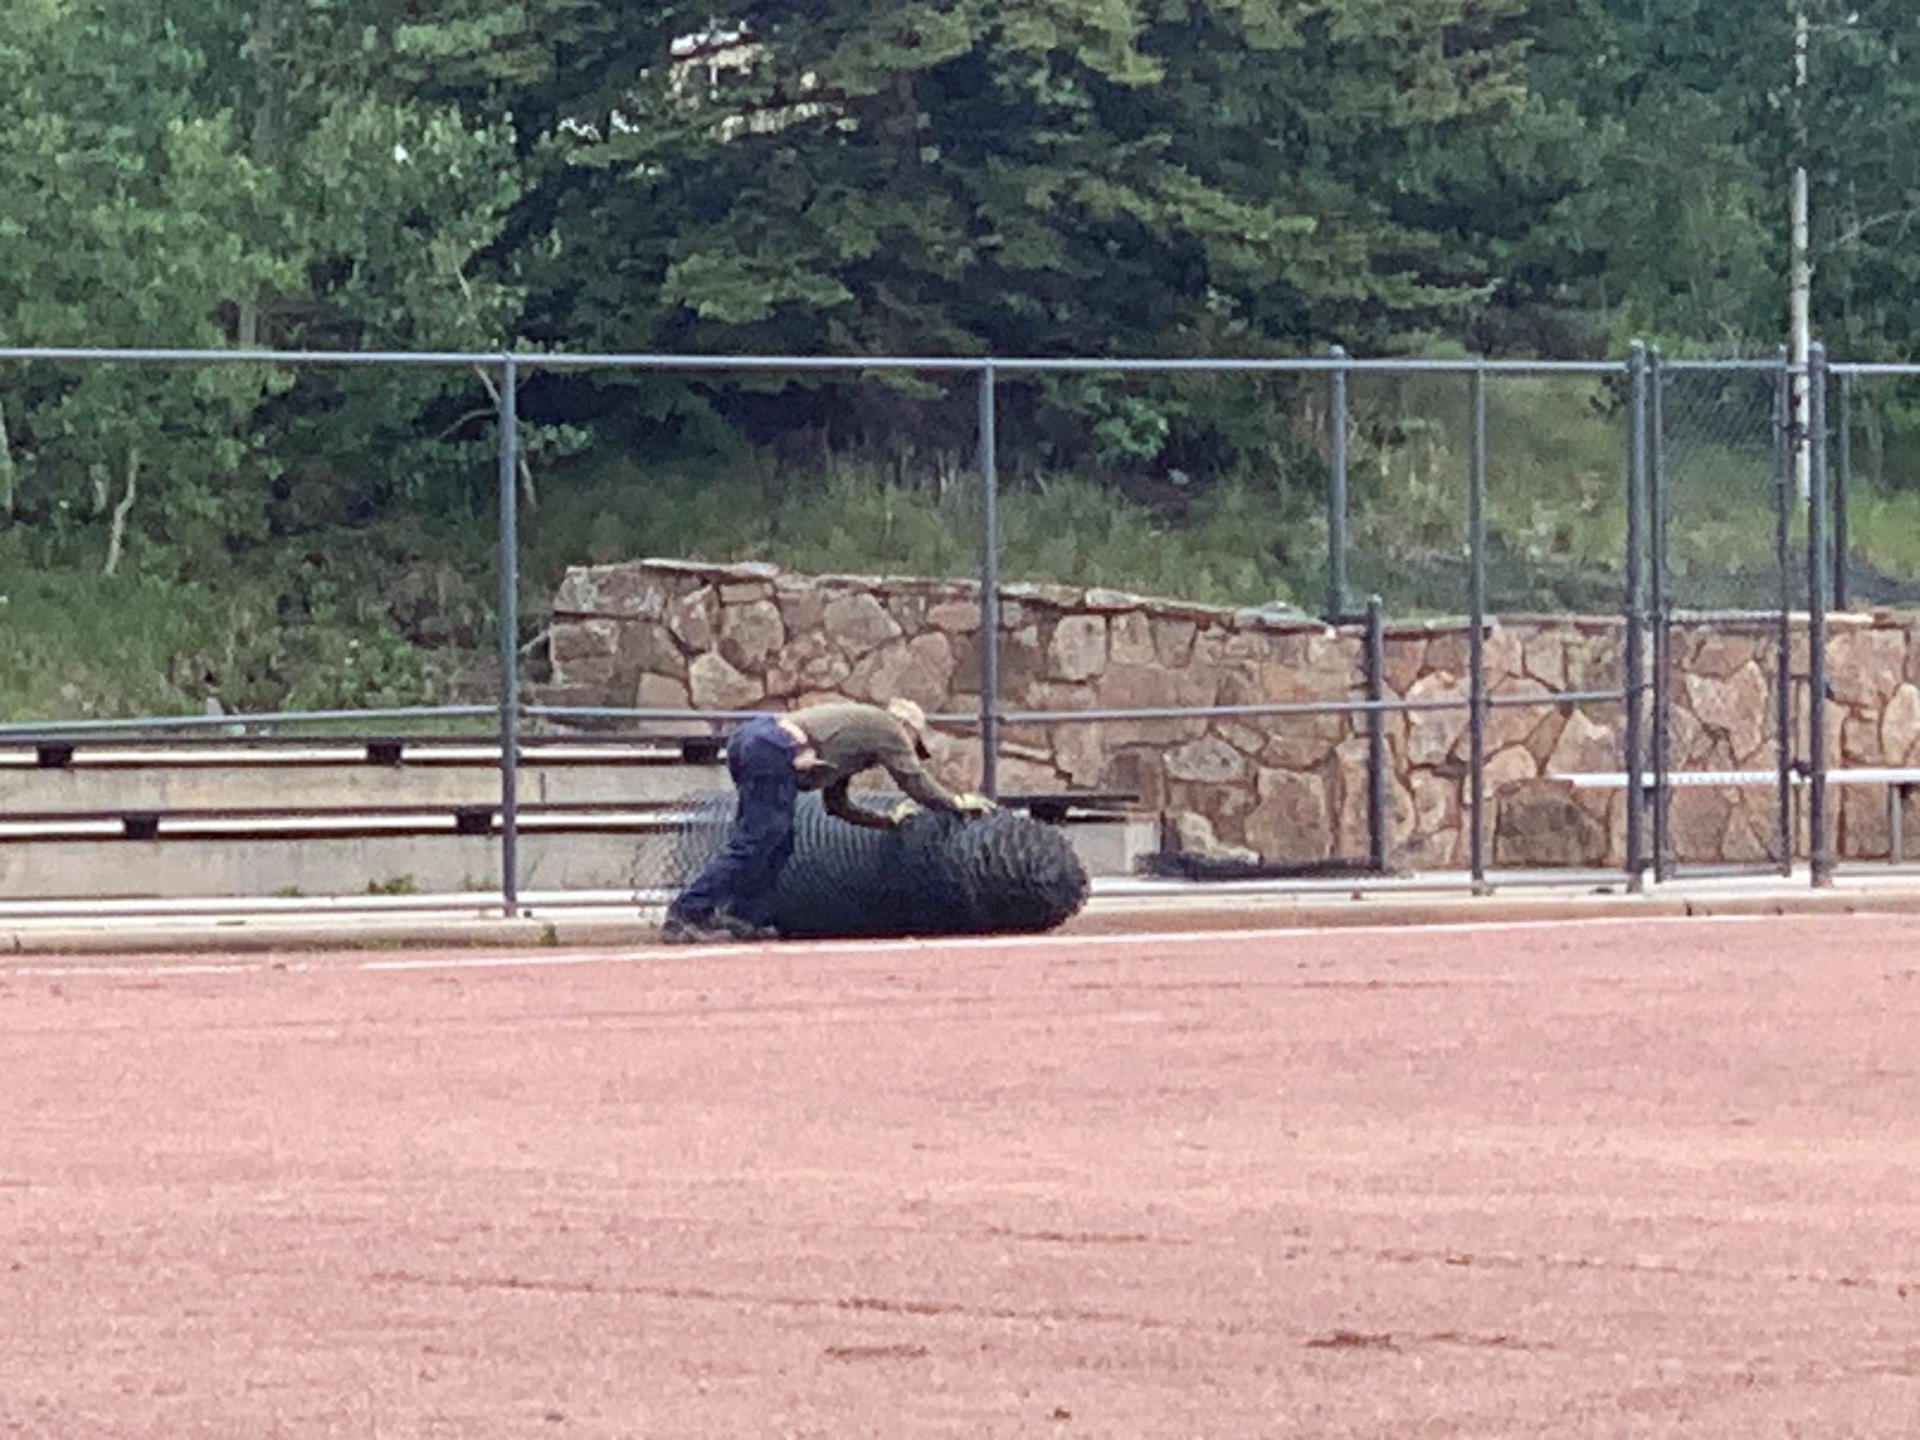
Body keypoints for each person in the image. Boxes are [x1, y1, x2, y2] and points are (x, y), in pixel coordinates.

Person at [662, 697, 994, 943]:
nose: (906, 749)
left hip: (756, 739)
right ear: (906, 728)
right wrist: (955, 805)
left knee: (777, 840)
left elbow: (836, 805)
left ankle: (744, 916)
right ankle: (687, 912)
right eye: (912, 742)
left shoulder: (856, 742)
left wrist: (886, 822)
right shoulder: (887, 729)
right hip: (774, 746)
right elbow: (914, 780)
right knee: (758, 838)